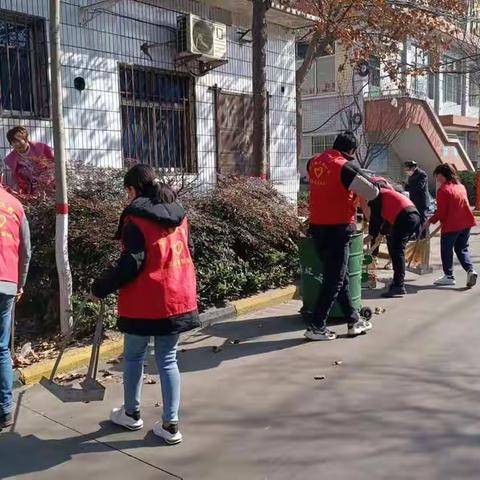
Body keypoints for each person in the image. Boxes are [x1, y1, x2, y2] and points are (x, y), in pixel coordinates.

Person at [91, 164, 200, 445]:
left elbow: (132, 262)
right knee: (168, 359)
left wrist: (102, 286)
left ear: (132, 190)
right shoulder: (178, 213)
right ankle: (171, 425)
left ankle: (131, 413)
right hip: (177, 296)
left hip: (144, 301)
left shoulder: (135, 219)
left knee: (135, 357)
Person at [305, 131, 378, 341]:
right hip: (338, 228)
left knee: (340, 276)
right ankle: (317, 325)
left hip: (317, 227)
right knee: (334, 279)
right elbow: (371, 193)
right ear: (351, 151)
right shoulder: (345, 167)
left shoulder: (313, 162)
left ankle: (354, 321)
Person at [0, 185, 31, 430]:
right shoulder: (15, 205)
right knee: (1, 349)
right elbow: (26, 251)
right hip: (7, 283)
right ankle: (5, 409)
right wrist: (19, 284)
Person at [365, 178, 420, 298]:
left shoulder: (377, 196)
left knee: (396, 251)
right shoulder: (388, 194)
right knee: (395, 248)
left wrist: (371, 235)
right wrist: (382, 233)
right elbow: (389, 218)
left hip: (405, 217)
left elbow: (376, 219)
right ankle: (397, 283)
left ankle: (399, 286)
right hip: (412, 216)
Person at [425, 164, 477, 288]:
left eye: (437, 175)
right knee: (461, 248)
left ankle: (448, 276)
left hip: (451, 225)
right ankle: (470, 270)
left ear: (442, 175)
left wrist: (429, 221)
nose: (436, 178)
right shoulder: (461, 187)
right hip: (466, 223)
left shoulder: (443, 190)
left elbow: (441, 212)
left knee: (446, 250)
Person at [3, 126, 54, 195]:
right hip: (30, 188)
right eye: (13, 142)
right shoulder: (11, 159)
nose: (17, 144)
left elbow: (54, 163)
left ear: (26, 139)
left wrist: (46, 178)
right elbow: (18, 178)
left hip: (49, 182)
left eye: (18, 140)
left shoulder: (41, 148)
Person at [404, 161, 430, 227]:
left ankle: (424, 235)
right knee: (416, 218)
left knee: (422, 219)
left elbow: (419, 187)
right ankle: (418, 234)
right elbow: (410, 186)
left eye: (408, 169)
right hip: (413, 200)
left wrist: (408, 188)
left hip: (422, 201)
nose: (407, 171)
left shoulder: (422, 174)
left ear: (413, 167)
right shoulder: (411, 175)